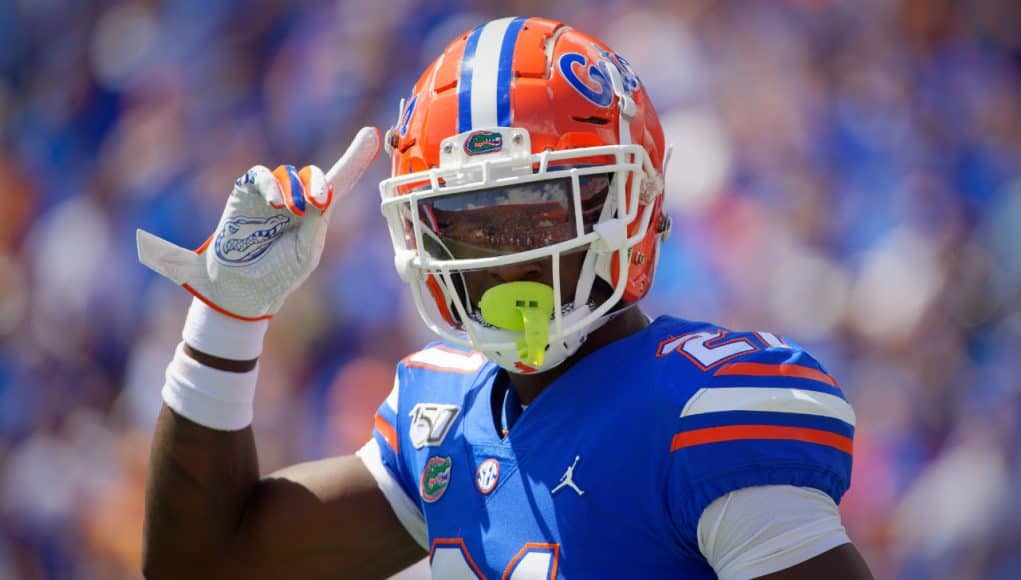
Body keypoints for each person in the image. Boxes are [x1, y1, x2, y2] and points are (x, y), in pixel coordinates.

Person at [138, 16, 873, 579]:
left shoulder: (705, 412)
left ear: (633, 203)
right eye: (469, 221)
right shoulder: (442, 420)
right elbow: (204, 565)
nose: (508, 251)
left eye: (539, 210)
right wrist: (226, 318)